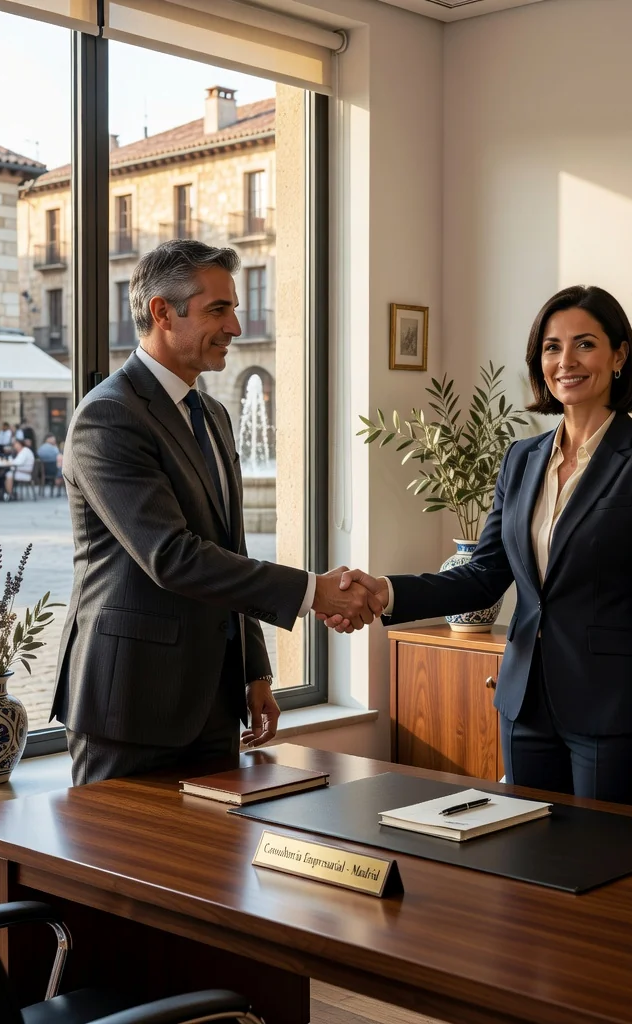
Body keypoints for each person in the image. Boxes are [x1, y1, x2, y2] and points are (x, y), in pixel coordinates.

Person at [326, 285, 632, 828]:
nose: (566, 362)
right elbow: (485, 575)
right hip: (524, 703)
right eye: (552, 348)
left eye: (585, 345)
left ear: (620, 356)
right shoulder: (522, 459)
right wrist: (385, 591)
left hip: (610, 713)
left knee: (601, 866)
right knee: (526, 864)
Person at [51, 239, 383, 785]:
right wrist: (313, 591)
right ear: (162, 311)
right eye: (218, 309)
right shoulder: (108, 416)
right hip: (130, 704)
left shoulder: (213, 414)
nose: (235, 327)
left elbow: (229, 550)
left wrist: (253, 671)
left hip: (214, 704)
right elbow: (173, 557)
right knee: (117, 868)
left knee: (213, 869)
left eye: (233, 308)